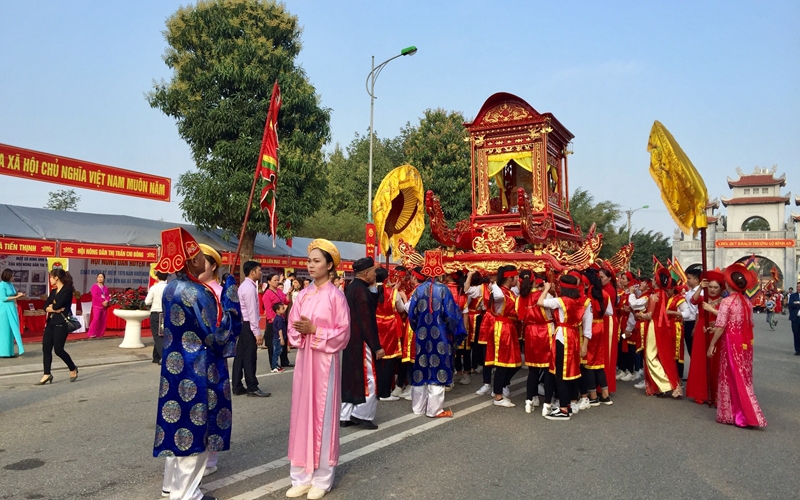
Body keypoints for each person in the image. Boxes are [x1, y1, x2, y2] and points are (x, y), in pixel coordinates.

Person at [153, 228, 239, 500]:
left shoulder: (171, 287)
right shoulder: (195, 292)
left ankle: (175, 488)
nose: (203, 259)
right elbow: (217, 335)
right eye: (200, 255)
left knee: (179, 431)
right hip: (200, 372)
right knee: (197, 434)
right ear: (191, 261)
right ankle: (186, 495)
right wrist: (231, 303)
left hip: (176, 369)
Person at [286, 239, 350, 500]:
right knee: (302, 414)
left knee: (322, 417)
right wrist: (299, 334)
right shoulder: (302, 295)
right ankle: (301, 475)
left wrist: (316, 331)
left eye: (316, 261)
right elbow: (291, 326)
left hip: (325, 362)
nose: (311, 266)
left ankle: (323, 477)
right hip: (304, 361)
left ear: (330, 265)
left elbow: (343, 332)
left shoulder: (336, 296)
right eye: (309, 261)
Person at [706, 263, 767, 428]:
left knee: (731, 375)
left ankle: (742, 414)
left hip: (731, 343)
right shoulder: (747, 302)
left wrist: (712, 344)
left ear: (727, 284)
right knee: (742, 376)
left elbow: (721, 325)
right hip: (745, 343)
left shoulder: (727, 301)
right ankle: (738, 412)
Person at [406, 263, 467, 418]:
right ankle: (434, 410)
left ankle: (418, 408)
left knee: (421, 367)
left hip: (421, 334)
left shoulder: (418, 290)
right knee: (438, 366)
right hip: (440, 334)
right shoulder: (444, 290)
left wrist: (419, 328)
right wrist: (455, 331)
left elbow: (411, 315)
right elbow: (451, 316)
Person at [538, 273, 591, 421]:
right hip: (574, 337)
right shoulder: (583, 302)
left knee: (559, 373)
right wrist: (584, 345)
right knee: (571, 372)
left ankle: (563, 408)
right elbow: (587, 327)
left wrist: (546, 289)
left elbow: (540, 302)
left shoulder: (560, 301)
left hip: (562, 336)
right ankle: (568, 404)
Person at [340, 257, 385, 430]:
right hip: (362, 341)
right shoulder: (361, 292)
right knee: (370, 377)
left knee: (352, 376)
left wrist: (373, 288)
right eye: (373, 271)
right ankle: (362, 414)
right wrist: (376, 346)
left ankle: (345, 414)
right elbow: (366, 321)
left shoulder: (353, 287)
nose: (375, 274)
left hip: (352, 339)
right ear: (366, 273)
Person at [483, 265, 521, 408]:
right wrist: (494, 282)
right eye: (515, 277)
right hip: (502, 328)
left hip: (510, 328)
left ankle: (501, 386)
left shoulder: (510, 292)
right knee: (502, 363)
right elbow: (497, 294)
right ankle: (498, 396)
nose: (517, 280)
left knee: (514, 362)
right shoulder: (500, 293)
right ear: (509, 278)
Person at [686, 270, 725, 405]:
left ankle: (715, 393)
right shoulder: (703, 298)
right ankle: (700, 392)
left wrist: (715, 316)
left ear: (721, 288)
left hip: (716, 332)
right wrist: (701, 287)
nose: (713, 290)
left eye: (716, 287)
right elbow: (693, 300)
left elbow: (727, 316)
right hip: (701, 331)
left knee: (715, 362)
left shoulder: (724, 302)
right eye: (711, 287)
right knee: (700, 361)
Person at [516, 272, 553, 414]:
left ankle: (529, 400)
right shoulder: (546, 296)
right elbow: (553, 313)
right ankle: (547, 405)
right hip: (545, 331)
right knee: (548, 370)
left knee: (533, 370)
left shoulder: (521, 298)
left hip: (530, 333)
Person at [232, 261, 271, 397]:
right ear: (252, 272)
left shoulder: (245, 286)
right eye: (259, 270)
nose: (261, 273)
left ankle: (237, 385)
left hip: (245, 325)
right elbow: (252, 311)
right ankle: (252, 386)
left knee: (241, 356)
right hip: (249, 324)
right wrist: (257, 332)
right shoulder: (249, 288)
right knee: (249, 357)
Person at [35, 268, 78, 385]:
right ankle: (47, 374)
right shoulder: (54, 291)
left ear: (56, 278)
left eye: (51, 277)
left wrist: (54, 307)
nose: (50, 279)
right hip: (51, 322)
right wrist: (53, 308)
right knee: (46, 348)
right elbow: (45, 306)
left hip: (62, 323)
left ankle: (72, 367)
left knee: (58, 350)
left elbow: (57, 305)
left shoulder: (67, 291)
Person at [374, 267, 404, 401]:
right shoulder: (393, 293)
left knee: (376, 360)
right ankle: (385, 392)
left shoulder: (370, 291)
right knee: (390, 360)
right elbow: (401, 308)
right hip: (390, 327)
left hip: (375, 325)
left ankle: (376, 389)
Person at [261, 273, 290, 367]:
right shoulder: (267, 294)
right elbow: (268, 309)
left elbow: (286, 301)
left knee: (283, 339)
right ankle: (274, 364)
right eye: (275, 280)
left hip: (282, 319)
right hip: (273, 321)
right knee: (273, 343)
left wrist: (288, 294)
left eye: (278, 280)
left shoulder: (278, 291)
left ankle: (284, 361)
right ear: (269, 281)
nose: (277, 282)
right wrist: (274, 320)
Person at [145, 271, 169, 364]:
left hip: (156, 313)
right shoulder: (169, 287)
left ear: (157, 277)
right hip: (166, 313)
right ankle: (156, 357)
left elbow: (147, 302)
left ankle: (163, 357)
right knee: (162, 335)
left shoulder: (154, 288)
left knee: (157, 336)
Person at [1, 268, 25, 358]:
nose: (13, 277)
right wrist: (17, 296)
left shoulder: (10, 284)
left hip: (12, 307)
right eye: (12, 276)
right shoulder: (2, 285)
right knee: (5, 330)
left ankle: (10, 352)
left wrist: (19, 295)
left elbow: (13, 294)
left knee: (12, 330)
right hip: (4, 310)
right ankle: (3, 352)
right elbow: (3, 298)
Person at [86, 272, 110, 338]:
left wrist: (107, 301)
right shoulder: (94, 286)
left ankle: (100, 334)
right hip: (97, 305)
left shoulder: (105, 288)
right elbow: (94, 296)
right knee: (96, 319)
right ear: (96, 278)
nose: (100, 278)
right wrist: (102, 301)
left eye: (101, 277)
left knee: (103, 320)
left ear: (104, 279)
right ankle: (91, 333)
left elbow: (108, 295)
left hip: (104, 306)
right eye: (98, 277)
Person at [271, 302, 287, 373]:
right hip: (278, 338)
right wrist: (282, 338)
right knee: (276, 352)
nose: (284, 310)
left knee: (277, 352)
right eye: (282, 308)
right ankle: (274, 366)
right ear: (277, 310)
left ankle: (276, 365)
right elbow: (279, 329)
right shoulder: (279, 319)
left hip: (276, 337)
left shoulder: (278, 318)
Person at [788, 284, 800, 355]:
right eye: (797, 287)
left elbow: (794, 304)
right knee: (796, 333)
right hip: (795, 318)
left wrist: (797, 302)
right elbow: (791, 304)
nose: (798, 288)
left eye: (799, 287)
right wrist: (798, 303)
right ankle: (797, 349)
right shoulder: (793, 296)